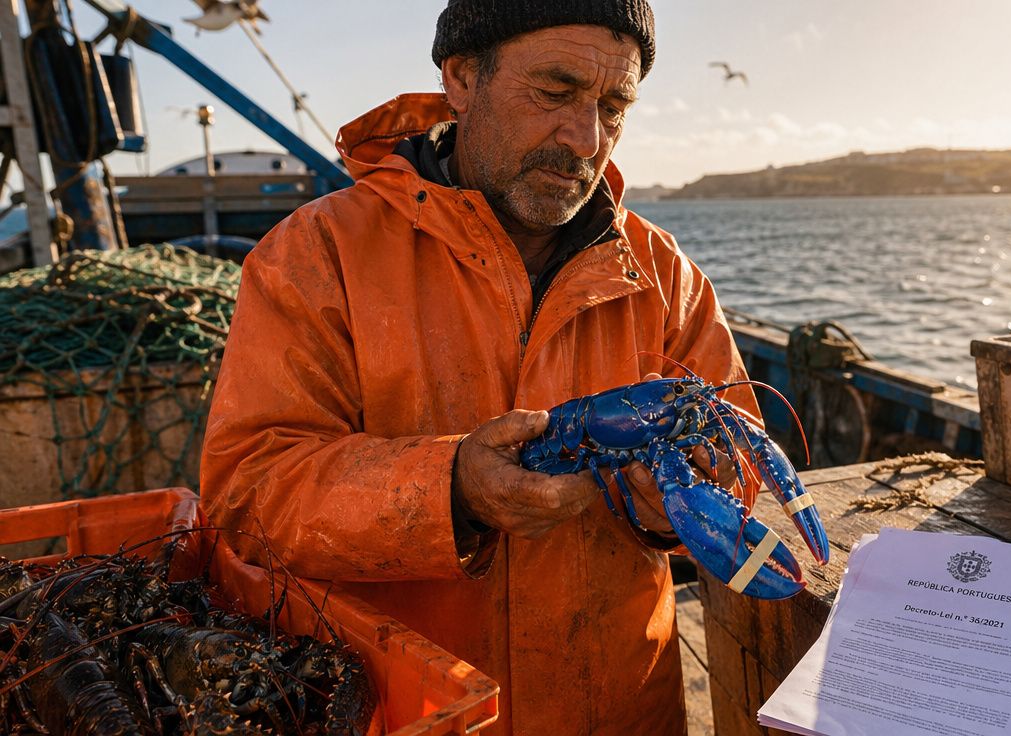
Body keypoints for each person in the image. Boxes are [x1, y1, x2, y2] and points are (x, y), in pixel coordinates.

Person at [199, 1, 759, 734]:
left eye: (614, 105)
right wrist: (450, 488)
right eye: (555, 92)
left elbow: (741, 459)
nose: (585, 138)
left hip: (624, 710)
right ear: (462, 79)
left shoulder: (666, 275)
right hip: (400, 711)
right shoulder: (316, 255)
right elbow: (245, 491)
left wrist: (684, 504)